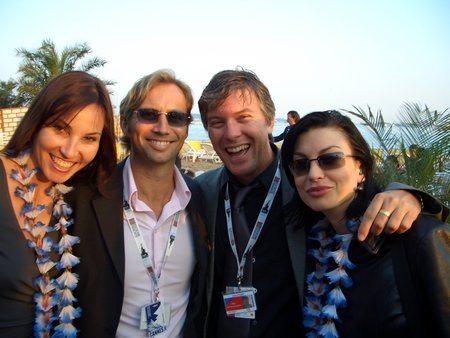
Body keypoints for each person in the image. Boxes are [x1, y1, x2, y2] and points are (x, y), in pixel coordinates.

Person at [196, 69, 446, 337]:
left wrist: (409, 195)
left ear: (270, 121)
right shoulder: (202, 191)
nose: (232, 133)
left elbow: (358, 196)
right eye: (217, 122)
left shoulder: (306, 186)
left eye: (244, 117)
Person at [280, 110, 450, 337]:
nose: (314, 174)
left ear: (360, 168)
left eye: (330, 159)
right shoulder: (306, 239)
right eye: (301, 164)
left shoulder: (416, 236)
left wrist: (415, 197)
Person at [70, 69, 209, 337]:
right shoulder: (85, 198)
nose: (162, 127)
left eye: (176, 117)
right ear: (125, 123)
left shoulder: (199, 198)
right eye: (148, 114)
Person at [0, 71, 117, 337]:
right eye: (61, 129)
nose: (69, 150)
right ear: (38, 121)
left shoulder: (76, 196)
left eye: (89, 138)